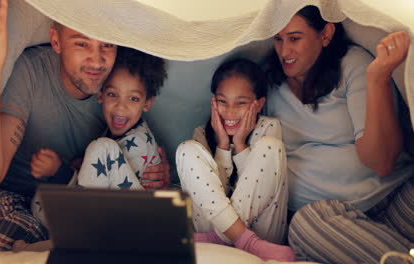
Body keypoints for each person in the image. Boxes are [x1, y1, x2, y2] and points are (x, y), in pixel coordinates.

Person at [0, 0, 169, 251]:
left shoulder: (117, 87)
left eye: (106, 44)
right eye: (81, 43)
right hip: (13, 201)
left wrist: (152, 170)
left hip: (69, 202)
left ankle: (71, 244)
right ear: (56, 41)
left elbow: (131, 145)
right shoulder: (30, 71)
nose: (96, 61)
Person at [265, 5, 413, 263]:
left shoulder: (353, 64)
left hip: (395, 196)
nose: (284, 51)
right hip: (331, 221)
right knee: (306, 225)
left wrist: (377, 79)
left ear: (326, 34)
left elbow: (382, 163)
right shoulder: (267, 85)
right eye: (278, 39)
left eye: (295, 38)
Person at [31, 47, 168, 226]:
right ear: (100, 94)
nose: (121, 107)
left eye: (133, 99)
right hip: (104, 211)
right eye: (113, 94)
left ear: (147, 103)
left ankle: (82, 233)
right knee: (39, 202)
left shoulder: (138, 142)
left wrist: (63, 173)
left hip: (138, 222)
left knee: (101, 148)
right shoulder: (111, 131)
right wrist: (82, 166)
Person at [176, 58, 295, 261]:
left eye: (240, 103)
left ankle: (228, 238)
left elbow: (257, 189)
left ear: (258, 104)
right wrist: (222, 145)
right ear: (213, 101)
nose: (230, 112)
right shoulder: (202, 135)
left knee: (271, 147)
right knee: (186, 150)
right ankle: (240, 238)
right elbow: (213, 194)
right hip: (208, 228)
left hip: (262, 234)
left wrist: (239, 143)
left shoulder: (268, 128)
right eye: (223, 101)